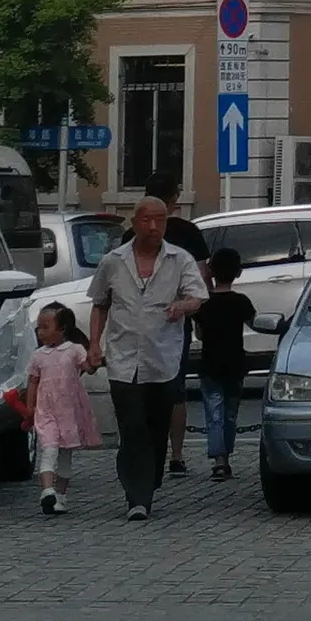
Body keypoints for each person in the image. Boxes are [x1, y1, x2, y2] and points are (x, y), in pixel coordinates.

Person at [84, 195, 205, 521]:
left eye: (160, 220)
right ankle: (137, 496)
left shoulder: (179, 260)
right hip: (123, 360)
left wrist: (182, 306)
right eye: (148, 220)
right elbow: (99, 303)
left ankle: (148, 481)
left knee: (155, 425)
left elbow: (197, 296)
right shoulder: (113, 261)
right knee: (131, 425)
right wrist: (94, 344)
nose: (154, 227)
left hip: (162, 359)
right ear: (135, 222)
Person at [142, 170, 211, 478]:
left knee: (142, 386)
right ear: (173, 199)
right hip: (176, 318)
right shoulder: (187, 232)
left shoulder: (132, 234)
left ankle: (144, 449)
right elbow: (201, 278)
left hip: (138, 322)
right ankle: (177, 455)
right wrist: (197, 315)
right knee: (175, 388)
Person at [23, 302, 97, 516]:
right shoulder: (38, 356)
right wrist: (30, 406)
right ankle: (47, 491)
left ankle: (60, 497)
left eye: (46, 327)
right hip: (46, 410)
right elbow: (33, 381)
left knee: (65, 454)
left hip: (69, 410)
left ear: (62, 329)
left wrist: (95, 360)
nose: (40, 332)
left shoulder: (75, 350)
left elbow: (88, 368)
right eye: (39, 327)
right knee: (49, 448)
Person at [195, 246, 256, 480]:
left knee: (214, 414)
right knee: (231, 413)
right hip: (235, 363)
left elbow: (199, 335)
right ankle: (227, 456)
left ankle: (219, 459)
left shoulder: (203, 305)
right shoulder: (241, 301)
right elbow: (253, 322)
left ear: (211, 272)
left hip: (210, 364)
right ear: (238, 273)